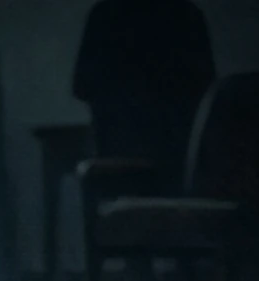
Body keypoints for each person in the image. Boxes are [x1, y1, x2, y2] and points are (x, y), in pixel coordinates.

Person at [73, 0, 216, 193]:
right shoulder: (188, 14)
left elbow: (82, 87)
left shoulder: (104, 14)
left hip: (119, 165)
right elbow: (208, 89)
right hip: (180, 164)